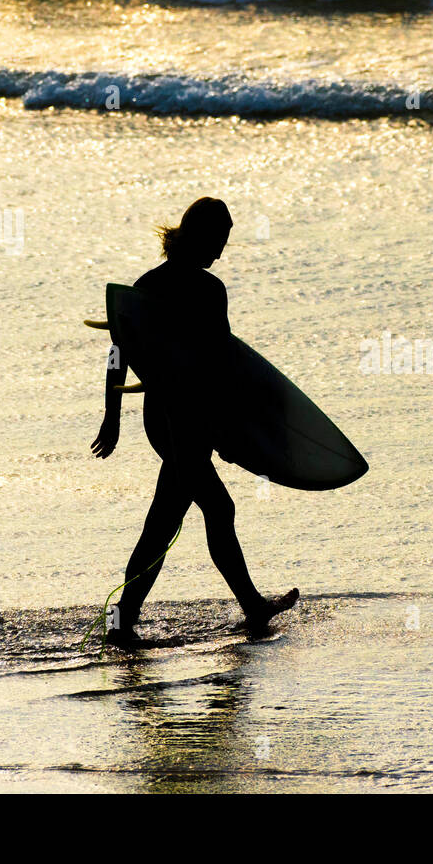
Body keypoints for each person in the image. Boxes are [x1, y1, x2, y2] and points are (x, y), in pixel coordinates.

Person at [90, 197, 298, 645]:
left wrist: (229, 431)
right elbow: (122, 349)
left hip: (186, 418)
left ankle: (125, 620)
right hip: (175, 419)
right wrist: (111, 417)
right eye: (219, 241)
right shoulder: (172, 289)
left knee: (167, 518)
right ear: (200, 236)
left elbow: (219, 365)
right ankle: (248, 607)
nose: (221, 252)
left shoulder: (175, 286)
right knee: (211, 510)